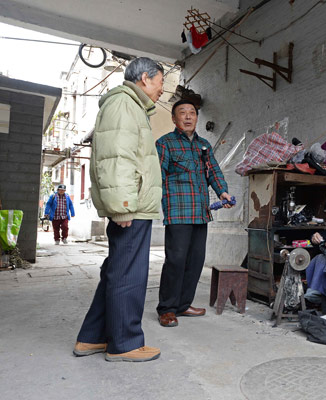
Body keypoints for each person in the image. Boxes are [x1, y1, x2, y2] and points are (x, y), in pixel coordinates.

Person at [74, 57, 164, 362]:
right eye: (161, 82)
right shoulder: (125, 105)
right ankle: (124, 343)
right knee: (128, 274)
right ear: (145, 79)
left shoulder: (129, 105)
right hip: (132, 207)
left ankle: (92, 337)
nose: (162, 90)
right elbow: (116, 158)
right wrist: (123, 206)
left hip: (134, 204)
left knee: (117, 271)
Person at [155, 99, 232, 327]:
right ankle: (167, 309)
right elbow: (156, 176)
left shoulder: (204, 146)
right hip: (178, 211)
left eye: (192, 113)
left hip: (200, 212)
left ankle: (183, 304)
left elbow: (214, 172)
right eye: (182, 113)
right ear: (173, 118)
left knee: (196, 260)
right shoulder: (165, 143)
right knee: (176, 260)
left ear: (197, 118)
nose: (188, 117)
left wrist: (223, 193)